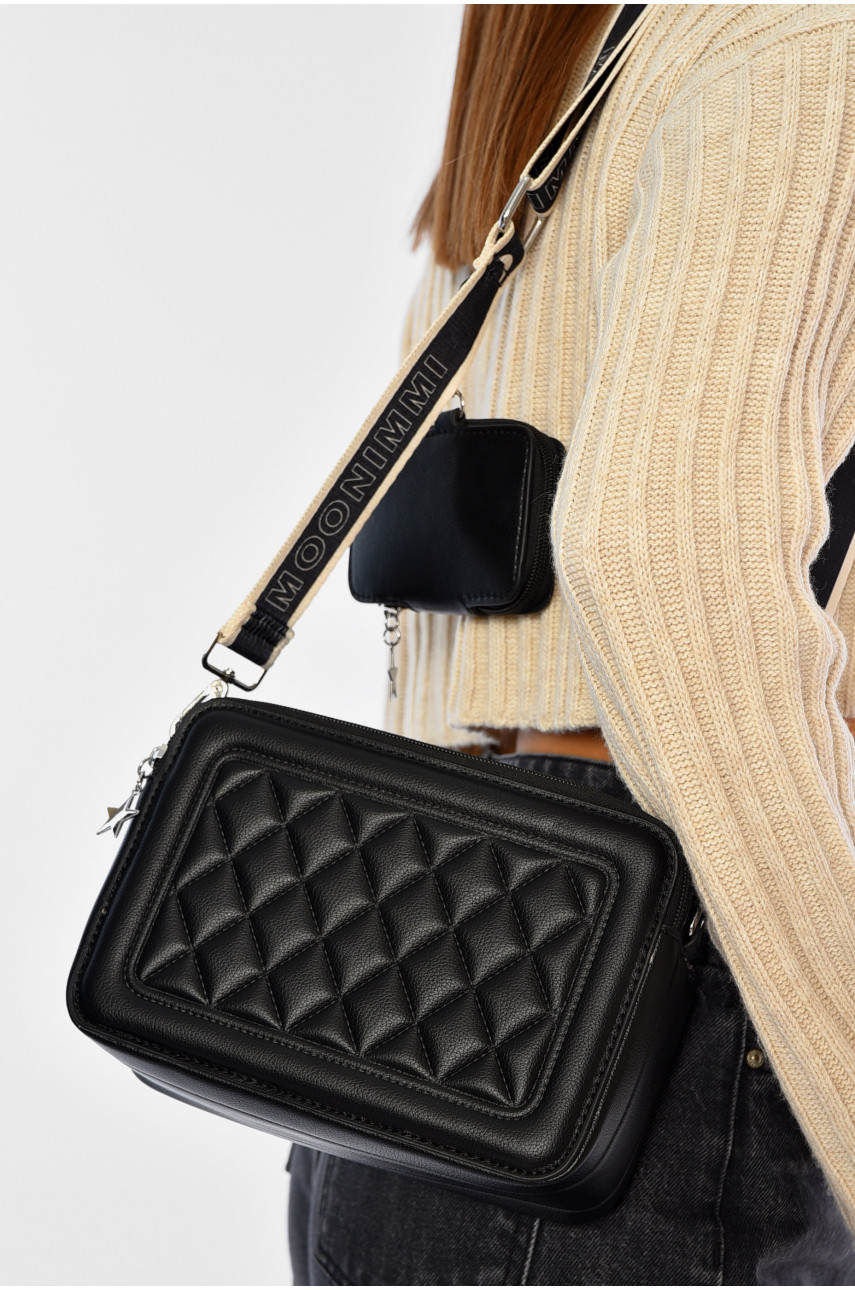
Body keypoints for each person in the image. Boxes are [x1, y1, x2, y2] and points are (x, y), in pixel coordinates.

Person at [287, 5, 855, 1283]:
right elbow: (660, 553)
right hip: (651, 956)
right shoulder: (804, 35)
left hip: (428, 940)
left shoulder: (582, 51)